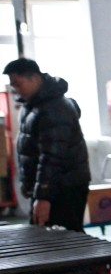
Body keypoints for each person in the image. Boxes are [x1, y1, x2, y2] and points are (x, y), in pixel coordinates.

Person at [4, 58, 90, 230]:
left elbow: (53, 157)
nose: (15, 90)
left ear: (35, 78)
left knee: (64, 239)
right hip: (52, 189)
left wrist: (44, 196)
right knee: (44, 237)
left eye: (18, 84)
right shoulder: (34, 105)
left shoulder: (54, 109)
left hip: (63, 189)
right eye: (13, 85)